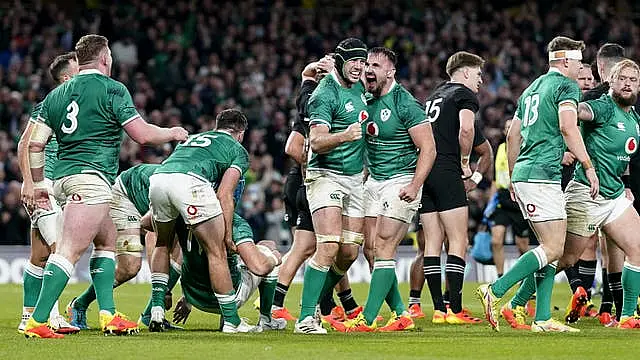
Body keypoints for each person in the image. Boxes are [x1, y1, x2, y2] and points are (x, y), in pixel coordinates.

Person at [23, 34, 188, 339]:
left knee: (107, 238)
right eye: (110, 57)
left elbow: (34, 144)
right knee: (68, 250)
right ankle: (38, 320)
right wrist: (173, 132)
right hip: (90, 178)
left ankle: (108, 314)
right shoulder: (112, 89)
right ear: (104, 59)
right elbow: (142, 135)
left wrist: (38, 185)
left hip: (62, 177)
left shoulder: (56, 95)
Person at [477, 36, 598, 333]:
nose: (580, 68)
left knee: (550, 248)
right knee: (554, 247)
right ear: (566, 61)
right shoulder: (565, 87)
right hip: (543, 174)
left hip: (529, 174)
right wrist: (588, 165)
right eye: (579, 62)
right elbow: (568, 126)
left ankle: (542, 317)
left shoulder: (532, 88)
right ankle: (496, 289)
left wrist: (517, 174)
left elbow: (512, 136)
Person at [331, 47, 436, 332]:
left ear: (390, 71)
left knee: (385, 245)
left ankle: (365, 320)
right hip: (373, 181)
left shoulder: (406, 104)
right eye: (366, 64)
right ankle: (402, 313)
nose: (368, 70)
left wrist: (415, 185)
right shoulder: (364, 99)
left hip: (400, 181)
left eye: (375, 65)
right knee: (371, 250)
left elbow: (428, 148)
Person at [147, 108, 253, 333]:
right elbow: (224, 194)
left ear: (217, 127)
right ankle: (232, 321)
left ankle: (156, 309)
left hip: (159, 178)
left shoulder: (193, 139)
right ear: (241, 133)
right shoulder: (238, 149)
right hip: (191, 182)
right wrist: (226, 236)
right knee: (217, 253)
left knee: (163, 243)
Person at [274, 56, 361, 323]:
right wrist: (313, 169)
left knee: (326, 246)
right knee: (310, 246)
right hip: (308, 182)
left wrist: (307, 76)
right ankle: (278, 304)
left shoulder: (312, 98)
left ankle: (337, 305)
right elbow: (292, 147)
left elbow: (307, 79)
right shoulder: (316, 106)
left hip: (308, 181)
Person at [294, 38, 368, 334]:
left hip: (353, 179)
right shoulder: (324, 94)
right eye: (353, 61)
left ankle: (317, 301)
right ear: (339, 62)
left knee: (349, 251)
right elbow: (317, 141)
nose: (359, 67)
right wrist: (345, 135)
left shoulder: (360, 86)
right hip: (325, 175)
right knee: (328, 244)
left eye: (362, 62)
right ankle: (305, 318)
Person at [559, 58, 640, 329]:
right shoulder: (603, 107)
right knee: (564, 257)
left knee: (637, 249)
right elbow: (580, 112)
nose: (627, 83)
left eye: (633, 79)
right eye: (622, 79)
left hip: (613, 195)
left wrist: (625, 185)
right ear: (611, 82)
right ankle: (515, 298)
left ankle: (627, 315)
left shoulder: (633, 118)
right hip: (587, 193)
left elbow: (622, 157)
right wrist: (568, 103)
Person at [66, 164, 180, 331]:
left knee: (180, 253)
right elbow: (153, 236)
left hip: (147, 195)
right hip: (125, 195)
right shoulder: (173, 192)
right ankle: (79, 304)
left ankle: (150, 315)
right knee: (130, 268)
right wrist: (163, 293)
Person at [419, 51, 485, 325]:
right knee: (459, 240)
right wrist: (466, 162)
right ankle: (455, 310)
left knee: (433, 242)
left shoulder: (435, 95)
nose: (481, 80)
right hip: (447, 168)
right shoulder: (464, 95)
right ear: (466, 72)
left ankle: (438, 309)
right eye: (478, 74)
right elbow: (466, 130)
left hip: (424, 170)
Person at [17, 52, 79, 335]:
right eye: (80, 70)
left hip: (50, 186)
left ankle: (27, 315)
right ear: (67, 78)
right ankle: (48, 318)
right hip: (44, 186)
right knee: (60, 249)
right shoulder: (52, 104)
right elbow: (24, 145)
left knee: (40, 255)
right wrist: (29, 183)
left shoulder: (71, 106)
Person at [406, 121, 493, 319]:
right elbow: (484, 149)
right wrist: (468, 171)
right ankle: (448, 307)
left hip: (426, 178)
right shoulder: (460, 108)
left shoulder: (429, 112)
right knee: (454, 242)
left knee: (433, 244)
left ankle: (440, 305)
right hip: (446, 179)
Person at [172, 215, 286, 332]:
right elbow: (260, 267)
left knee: (183, 251)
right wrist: (275, 257)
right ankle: (265, 320)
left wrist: (184, 297)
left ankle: (156, 311)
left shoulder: (183, 216)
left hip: (194, 297)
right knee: (266, 250)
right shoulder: (235, 223)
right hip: (227, 299)